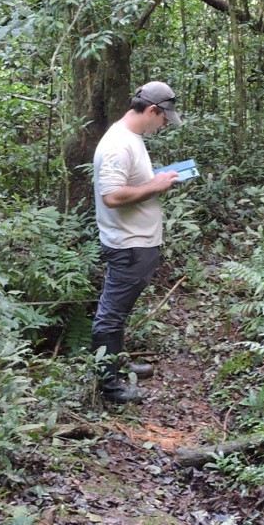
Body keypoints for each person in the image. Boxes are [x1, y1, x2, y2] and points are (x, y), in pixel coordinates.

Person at [90, 81, 182, 405]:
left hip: (136, 242)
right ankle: (110, 386)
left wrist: (157, 182)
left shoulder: (131, 137)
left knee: (118, 312)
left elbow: (129, 185)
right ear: (152, 111)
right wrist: (154, 186)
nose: (163, 126)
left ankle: (115, 363)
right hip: (129, 245)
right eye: (163, 119)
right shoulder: (118, 143)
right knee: (111, 314)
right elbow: (113, 196)